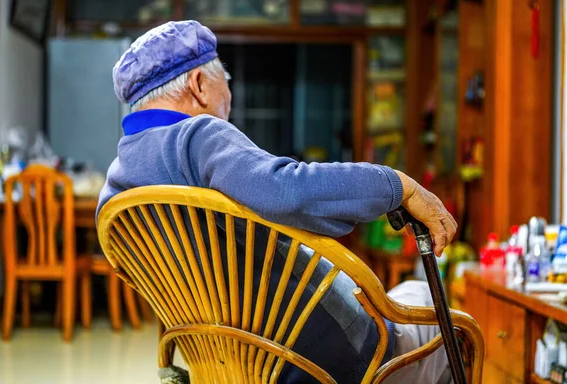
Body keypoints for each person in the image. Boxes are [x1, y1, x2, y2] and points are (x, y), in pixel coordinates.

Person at [98, 20, 457, 384]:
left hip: (227, 363)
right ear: (199, 85)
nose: (229, 95)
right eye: (226, 80)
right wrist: (398, 185)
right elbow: (287, 190)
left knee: (412, 294)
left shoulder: (117, 185)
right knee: (447, 323)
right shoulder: (197, 135)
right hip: (320, 363)